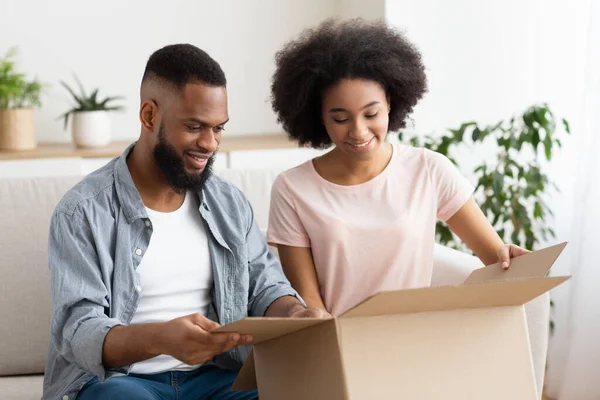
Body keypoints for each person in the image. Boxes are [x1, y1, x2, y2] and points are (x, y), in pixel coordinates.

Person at [42, 43, 326, 400]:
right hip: (121, 383)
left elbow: (264, 285)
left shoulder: (229, 203)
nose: (209, 143)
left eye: (218, 128)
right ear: (149, 116)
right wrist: (163, 339)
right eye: (194, 126)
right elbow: (79, 329)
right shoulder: (83, 211)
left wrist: (296, 313)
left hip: (216, 379)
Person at [267, 19, 529, 318]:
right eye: (341, 119)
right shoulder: (292, 188)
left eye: (371, 113)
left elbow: (496, 257)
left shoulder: (428, 170)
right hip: (335, 340)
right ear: (320, 117)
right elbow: (308, 303)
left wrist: (509, 256)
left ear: (390, 103)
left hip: (412, 338)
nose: (359, 131)